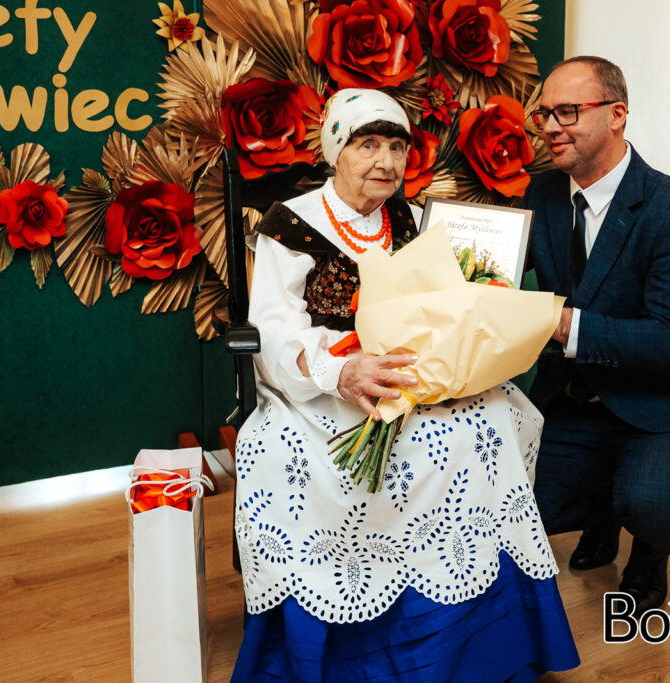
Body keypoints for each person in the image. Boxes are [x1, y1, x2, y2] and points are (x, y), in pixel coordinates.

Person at [230, 88, 579, 682]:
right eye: (368, 145)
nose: (386, 161)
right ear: (336, 151)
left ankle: (472, 635)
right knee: (289, 453)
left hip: (412, 374)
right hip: (323, 382)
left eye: (397, 147)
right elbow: (273, 328)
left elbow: (446, 304)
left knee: (497, 419)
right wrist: (340, 372)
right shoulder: (291, 225)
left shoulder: (416, 219)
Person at [523, 57, 670, 616]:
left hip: (657, 402)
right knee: (517, 506)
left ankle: (650, 551)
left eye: (567, 111)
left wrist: (562, 323)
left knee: (659, 508)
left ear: (617, 115)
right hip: (574, 399)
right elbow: (494, 273)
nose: (550, 126)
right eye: (544, 114)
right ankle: (604, 512)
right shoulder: (540, 195)